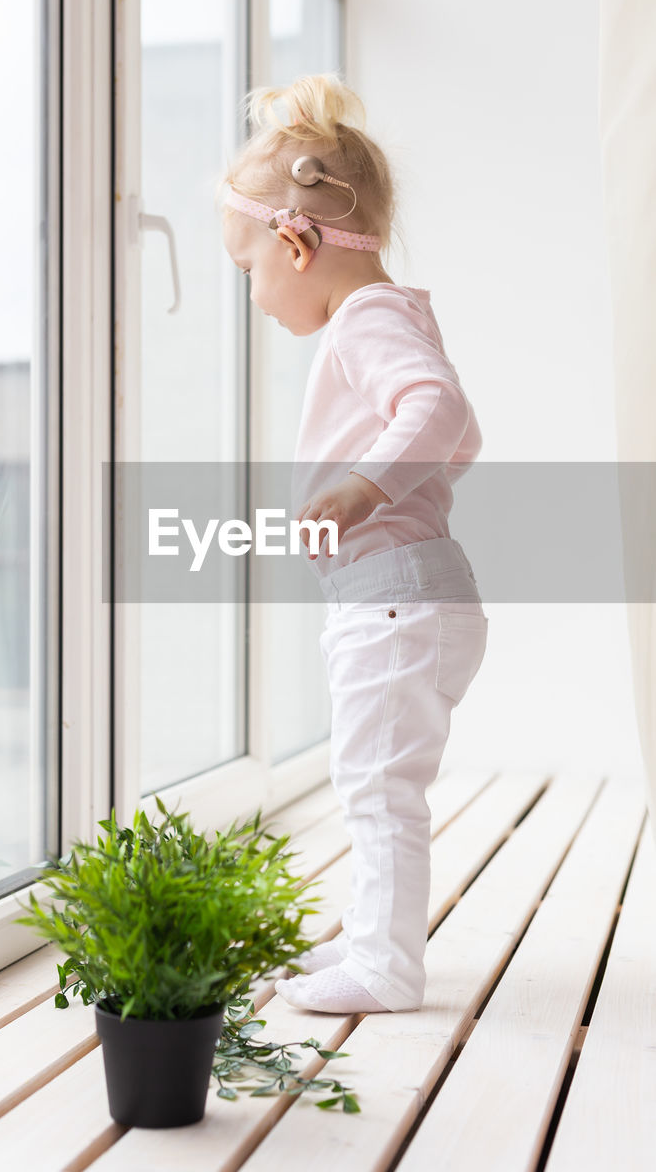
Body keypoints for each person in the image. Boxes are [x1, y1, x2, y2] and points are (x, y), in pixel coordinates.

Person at [219, 72, 489, 1014]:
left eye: (247, 265)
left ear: (294, 242)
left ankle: (386, 968)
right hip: (412, 591)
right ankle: (371, 945)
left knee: (377, 789)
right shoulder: (396, 315)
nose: (251, 291)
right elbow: (460, 433)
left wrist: (362, 483)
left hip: (392, 597)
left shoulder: (366, 320)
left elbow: (439, 409)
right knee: (374, 780)